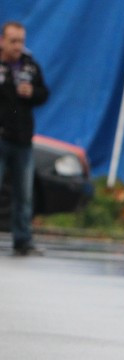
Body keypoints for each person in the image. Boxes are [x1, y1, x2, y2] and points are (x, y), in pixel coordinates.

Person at [0, 20, 49, 257]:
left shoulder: (29, 66)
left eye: (21, 41)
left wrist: (33, 93)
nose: (18, 46)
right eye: (13, 41)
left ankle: (23, 240)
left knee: (24, 194)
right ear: (2, 41)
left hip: (22, 140)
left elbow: (44, 93)